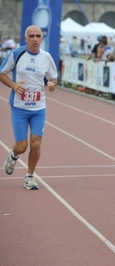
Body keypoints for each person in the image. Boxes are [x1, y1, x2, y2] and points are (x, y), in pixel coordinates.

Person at [0, 25, 57, 190]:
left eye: (38, 36)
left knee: (36, 143)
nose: (35, 39)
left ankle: (30, 176)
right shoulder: (16, 54)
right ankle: (13, 155)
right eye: (31, 36)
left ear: (41, 38)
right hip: (19, 108)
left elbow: (52, 77)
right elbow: (1, 73)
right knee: (22, 146)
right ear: (25, 39)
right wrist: (13, 85)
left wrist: (52, 83)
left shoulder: (46, 57)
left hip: (39, 108)